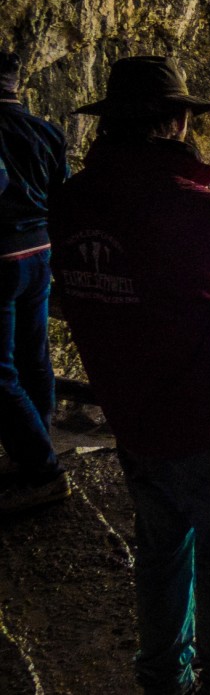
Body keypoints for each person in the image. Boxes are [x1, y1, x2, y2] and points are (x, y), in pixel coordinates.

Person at [49, 56, 210, 695]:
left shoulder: (72, 203)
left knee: (160, 558)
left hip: (135, 415)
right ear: (173, 123)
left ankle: (162, 682)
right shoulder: (190, 207)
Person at [0, 51, 71, 514]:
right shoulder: (47, 131)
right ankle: (38, 443)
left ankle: (43, 469)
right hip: (41, 251)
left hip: (1, 255)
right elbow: (61, 193)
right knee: (33, 356)